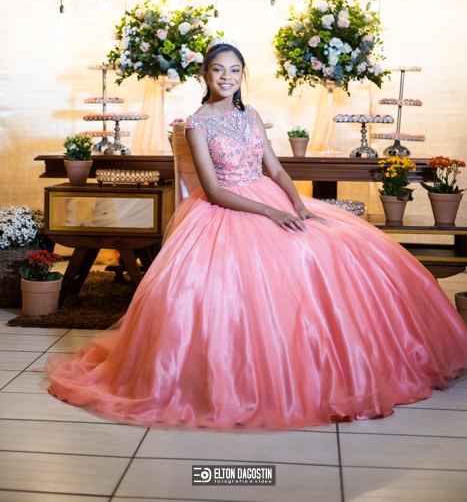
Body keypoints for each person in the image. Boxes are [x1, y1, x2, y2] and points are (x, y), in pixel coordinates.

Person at [46, 37, 467, 431]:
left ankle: (340, 363)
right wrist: (269, 212)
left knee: (334, 246)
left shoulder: (251, 115)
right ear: (205, 75)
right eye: (218, 70)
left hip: (271, 196)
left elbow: (277, 169)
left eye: (234, 70)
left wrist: (297, 205)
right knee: (243, 280)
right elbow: (213, 190)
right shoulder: (196, 125)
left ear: (242, 75)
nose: (226, 77)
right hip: (225, 209)